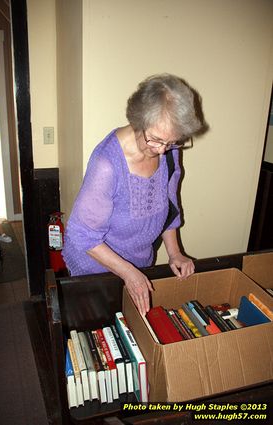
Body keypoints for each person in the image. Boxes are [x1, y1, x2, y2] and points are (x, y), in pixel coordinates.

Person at [62, 73, 204, 315]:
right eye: (156, 140)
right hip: (96, 269)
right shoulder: (107, 164)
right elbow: (82, 234)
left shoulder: (168, 150)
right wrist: (128, 272)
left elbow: (169, 206)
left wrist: (175, 253)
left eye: (171, 142)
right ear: (138, 121)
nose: (161, 151)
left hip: (138, 263)